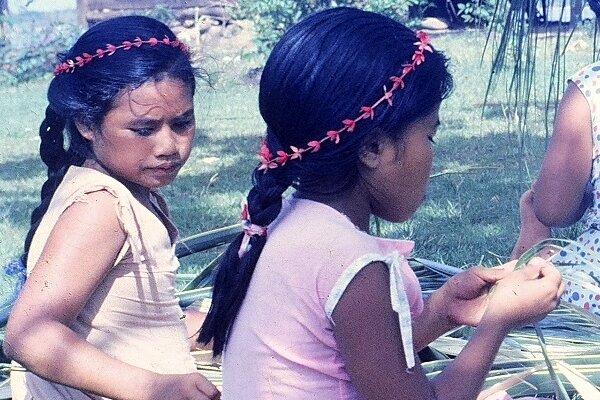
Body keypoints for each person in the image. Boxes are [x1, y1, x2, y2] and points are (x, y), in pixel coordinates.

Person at [198, 7, 564, 400]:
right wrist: (497, 323)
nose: (431, 154)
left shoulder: (280, 223)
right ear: (374, 147)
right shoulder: (355, 265)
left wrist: (442, 311)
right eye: (430, 136)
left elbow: (351, 358)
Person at [3, 15, 220, 400]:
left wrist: (215, 327)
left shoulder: (130, 191)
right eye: (144, 129)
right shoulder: (101, 207)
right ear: (87, 124)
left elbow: (127, 317)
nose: (169, 146)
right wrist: (154, 388)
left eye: (182, 123)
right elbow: (29, 335)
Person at [511, 3, 600, 314]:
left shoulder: (591, 88)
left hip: (593, 292)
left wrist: (534, 219)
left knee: (527, 300)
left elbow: (552, 209)